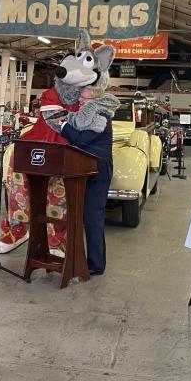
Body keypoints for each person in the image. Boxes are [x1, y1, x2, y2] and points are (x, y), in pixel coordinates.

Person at [54, 85, 119, 275]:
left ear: (93, 94)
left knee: (92, 219)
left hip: (97, 174)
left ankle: (96, 265)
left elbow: (82, 140)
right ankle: (83, 259)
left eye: (82, 95)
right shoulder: (89, 114)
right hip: (85, 171)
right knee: (85, 218)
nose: (79, 99)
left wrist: (63, 125)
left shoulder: (101, 115)